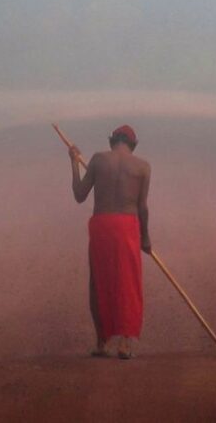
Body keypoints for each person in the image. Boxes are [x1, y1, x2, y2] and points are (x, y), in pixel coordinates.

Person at [69, 124, 151, 359]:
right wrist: (145, 238)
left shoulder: (97, 159)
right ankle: (125, 343)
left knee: (99, 283)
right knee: (128, 282)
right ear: (132, 145)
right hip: (128, 226)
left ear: (112, 141)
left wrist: (74, 161)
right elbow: (142, 208)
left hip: (102, 225)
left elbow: (79, 195)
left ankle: (102, 342)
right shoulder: (143, 166)